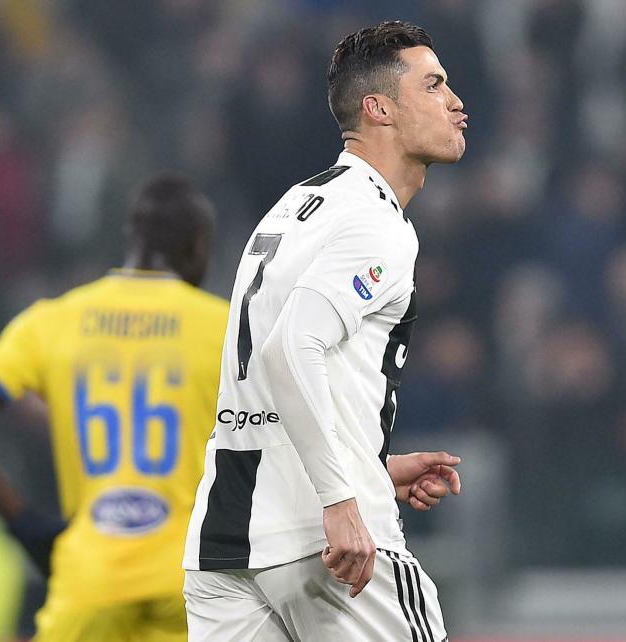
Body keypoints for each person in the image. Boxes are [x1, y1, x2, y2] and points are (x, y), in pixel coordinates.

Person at [183, 20, 466, 641]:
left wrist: (370, 461)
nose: (455, 102)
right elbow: (292, 348)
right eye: (434, 85)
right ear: (379, 108)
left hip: (225, 540)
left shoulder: (292, 209)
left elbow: (274, 372)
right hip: (324, 536)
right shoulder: (376, 224)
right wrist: (342, 496)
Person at [0, 174, 229, 641]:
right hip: (192, 577)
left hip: (92, 573)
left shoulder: (56, 320)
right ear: (199, 245)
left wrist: (23, 521)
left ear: (131, 239)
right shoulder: (224, 327)